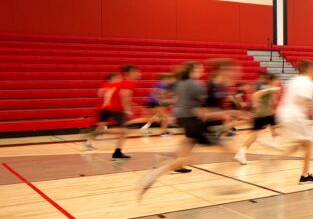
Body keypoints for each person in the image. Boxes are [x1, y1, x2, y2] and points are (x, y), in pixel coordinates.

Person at [140, 61, 238, 196]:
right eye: (199, 68)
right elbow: (205, 107)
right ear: (193, 70)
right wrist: (232, 113)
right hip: (193, 120)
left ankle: (157, 169)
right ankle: (223, 186)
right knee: (230, 152)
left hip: (182, 119)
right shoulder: (195, 84)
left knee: (184, 156)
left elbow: (167, 97)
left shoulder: (180, 83)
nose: (202, 70)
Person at [276, 60, 313, 183]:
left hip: (283, 114)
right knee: (310, 143)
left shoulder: (293, 80)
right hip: (295, 116)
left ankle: (279, 159)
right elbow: (301, 100)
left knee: (303, 143)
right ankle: (304, 175)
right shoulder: (309, 83)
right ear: (309, 69)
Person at [85, 64, 140, 159]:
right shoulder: (128, 82)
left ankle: (117, 152)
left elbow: (118, 95)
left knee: (122, 132)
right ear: (129, 73)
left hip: (106, 108)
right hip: (117, 109)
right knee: (124, 131)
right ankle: (100, 133)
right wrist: (127, 109)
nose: (139, 74)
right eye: (136, 71)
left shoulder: (117, 83)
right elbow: (124, 95)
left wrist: (132, 105)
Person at [234, 72, 281, 165]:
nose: (279, 81)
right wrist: (255, 103)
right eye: (277, 80)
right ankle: (266, 141)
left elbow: (272, 102)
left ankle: (268, 140)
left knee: (270, 127)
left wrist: (274, 100)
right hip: (261, 114)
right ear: (272, 80)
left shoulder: (271, 89)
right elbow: (256, 95)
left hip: (265, 114)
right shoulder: (268, 88)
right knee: (256, 134)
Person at [83, 73, 118, 151]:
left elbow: (100, 95)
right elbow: (108, 96)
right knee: (101, 128)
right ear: (111, 79)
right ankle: (88, 140)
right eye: (115, 78)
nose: (117, 80)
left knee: (101, 128)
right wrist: (108, 103)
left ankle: (88, 141)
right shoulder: (110, 86)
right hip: (105, 109)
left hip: (102, 108)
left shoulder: (104, 86)